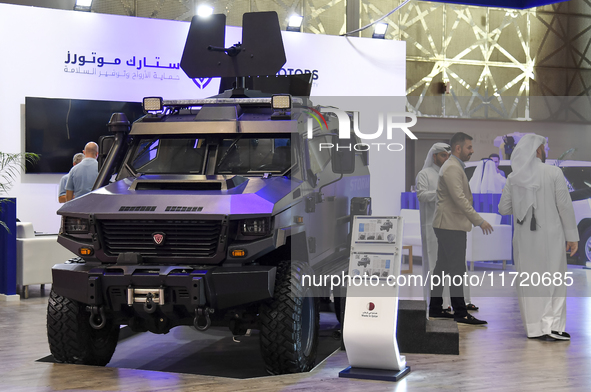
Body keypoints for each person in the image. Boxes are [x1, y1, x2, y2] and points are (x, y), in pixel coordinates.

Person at [498, 134, 578, 341]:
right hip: (551, 237)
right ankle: (554, 328)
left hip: (524, 241)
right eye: (544, 148)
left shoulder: (513, 178)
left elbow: (503, 208)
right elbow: (565, 207)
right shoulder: (553, 172)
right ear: (538, 150)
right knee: (554, 280)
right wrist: (572, 237)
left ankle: (534, 329)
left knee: (529, 282)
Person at [429, 132, 493, 325]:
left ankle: (436, 308)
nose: (472, 151)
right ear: (458, 148)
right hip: (450, 225)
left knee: (443, 268)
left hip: (449, 224)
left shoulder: (454, 166)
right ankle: (460, 313)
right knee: (456, 270)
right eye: (469, 147)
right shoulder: (451, 168)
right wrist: (479, 220)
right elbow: (460, 199)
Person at [416, 142, 451, 313]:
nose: (446, 159)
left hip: (449, 226)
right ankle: (435, 304)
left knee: (448, 265)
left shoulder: (449, 173)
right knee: (433, 263)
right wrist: (440, 194)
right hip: (431, 226)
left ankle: (448, 302)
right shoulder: (424, 174)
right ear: (434, 156)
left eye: (447, 155)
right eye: (443, 155)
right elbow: (421, 195)